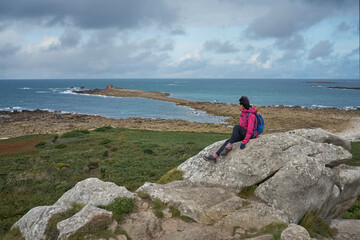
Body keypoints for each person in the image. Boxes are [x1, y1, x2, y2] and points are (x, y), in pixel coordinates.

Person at [203, 96, 258, 163]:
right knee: (228, 141)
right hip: (243, 133)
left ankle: (229, 147)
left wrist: (244, 142)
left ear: (243, 105)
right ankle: (214, 156)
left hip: (249, 135)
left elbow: (250, 130)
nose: (238, 106)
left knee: (236, 127)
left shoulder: (251, 115)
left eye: (239, 104)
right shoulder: (243, 113)